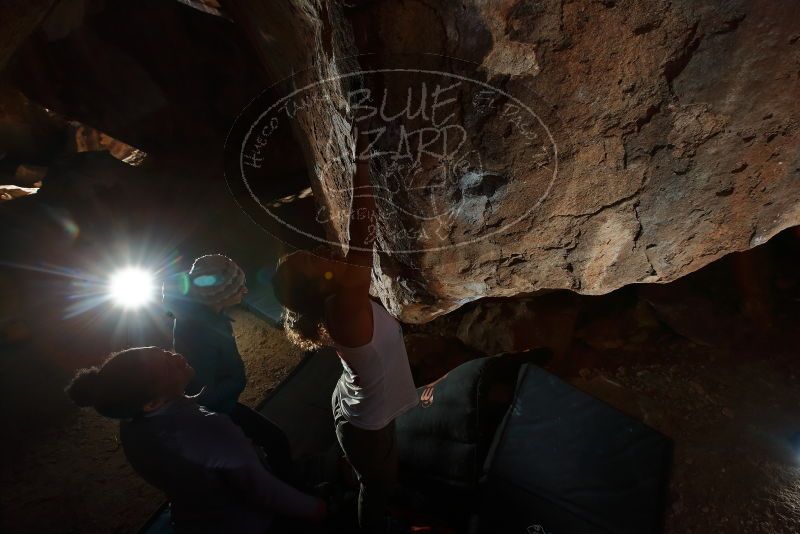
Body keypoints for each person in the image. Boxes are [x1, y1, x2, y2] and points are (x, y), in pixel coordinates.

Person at [272, 123, 418, 533]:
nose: (319, 252)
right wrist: (361, 160)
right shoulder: (346, 307)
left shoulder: (333, 305)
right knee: (377, 488)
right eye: (312, 261)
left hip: (350, 402)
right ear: (317, 286)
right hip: (366, 425)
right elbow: (363, 230)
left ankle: (350, 470)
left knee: (374, 473)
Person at [64, 346, 326, 533]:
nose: (176, 357)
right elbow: (263, 491)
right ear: (153, 402)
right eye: (168, 365)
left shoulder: (131, 426)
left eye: (163, 351)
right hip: (250, 523)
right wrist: (315, 508)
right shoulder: (209, 429)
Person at [165, 254, 295, 483]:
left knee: (269, 442)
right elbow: (203, 393)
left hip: (220, 403)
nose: (245, 290)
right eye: (238, 287)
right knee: (272, 443)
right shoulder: (201, 332)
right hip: (217, 410)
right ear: (220, 296)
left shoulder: (203, 316)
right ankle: (291, 489)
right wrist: (237, 382)